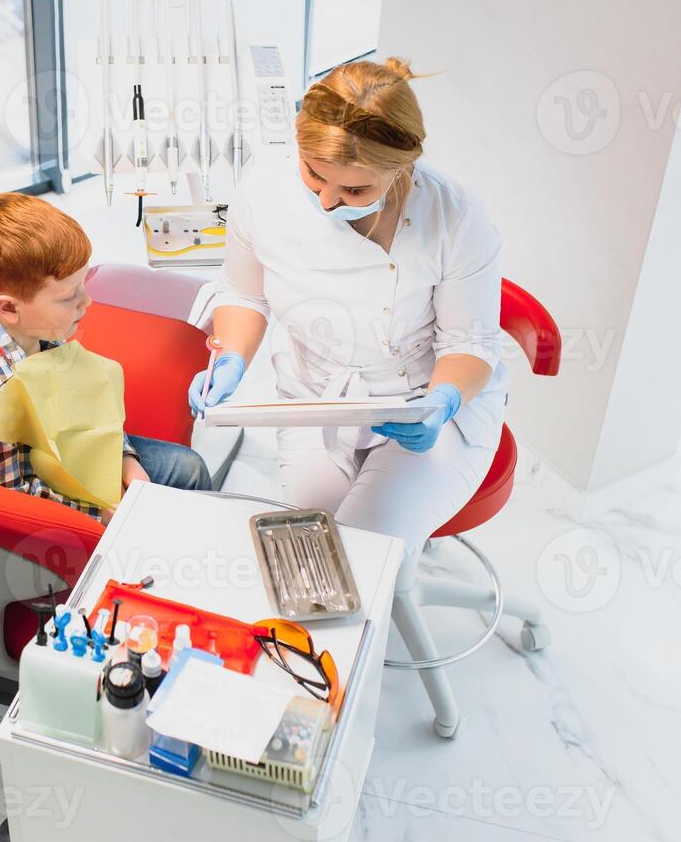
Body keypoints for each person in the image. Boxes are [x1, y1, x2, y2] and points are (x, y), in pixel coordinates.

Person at [190, 58, 507, 555]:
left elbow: (469, 342)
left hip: (423, 405)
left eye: (355, 188)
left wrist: (439, 403)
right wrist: (230, 358)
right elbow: (243, 294)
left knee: (363, 554)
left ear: (402, 166)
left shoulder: (455, 218)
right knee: (311, 551)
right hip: (316, 398)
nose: (326, 201)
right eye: (313, 175)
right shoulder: (262, 194)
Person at [0, 192, 211, 522]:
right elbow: (9, 506)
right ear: (9, 308)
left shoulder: (38, 334)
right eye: (68, 297)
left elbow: (89, 412)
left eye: (83, 285)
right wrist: (98, 512)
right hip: (15, 504)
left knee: (190, 469)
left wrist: (124, 460)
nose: (86, 302)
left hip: (57, 456)